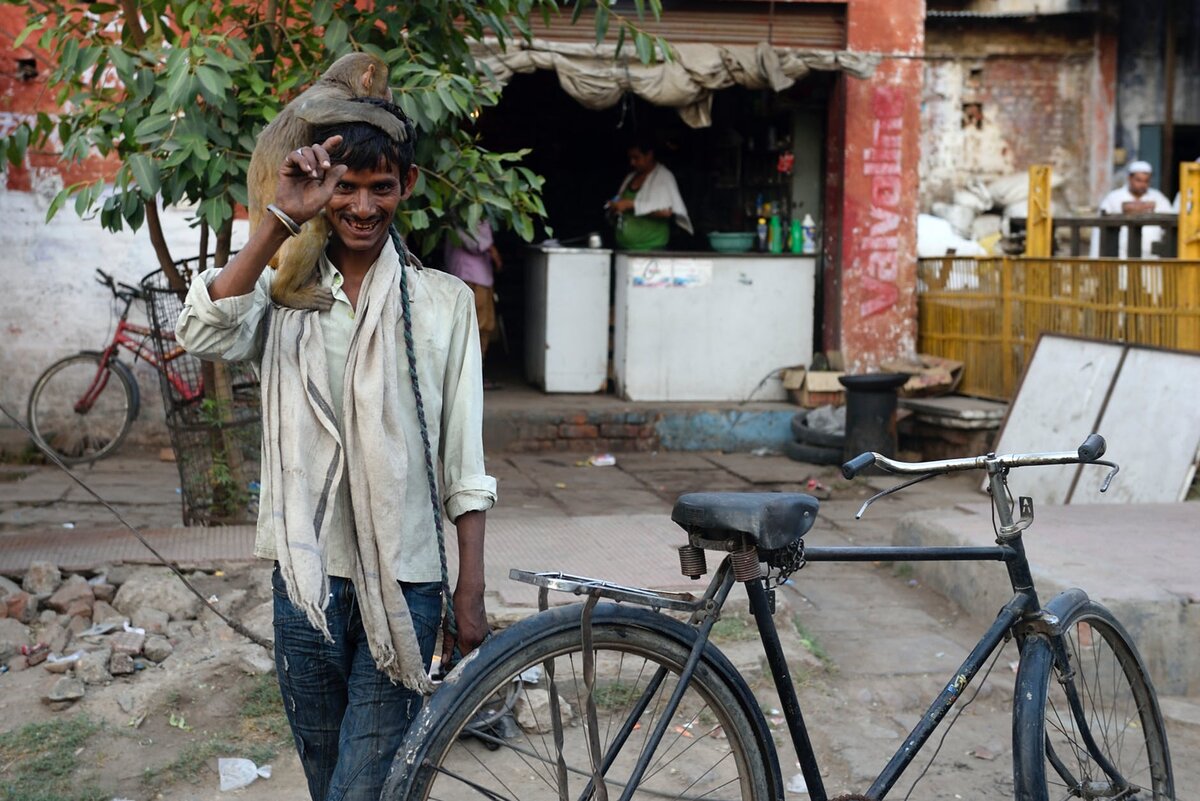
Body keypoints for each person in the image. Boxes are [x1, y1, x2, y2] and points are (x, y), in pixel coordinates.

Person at [175, 98, 496, 801]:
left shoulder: (441, 304)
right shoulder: (284, 295)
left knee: (363, 791)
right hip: (307, 587)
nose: (361, 206)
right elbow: (200, 331)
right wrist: (280, 215)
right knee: (335, 788)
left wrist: (468, 590)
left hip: (406, 585)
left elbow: (463, 464)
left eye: (380, 188)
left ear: (406, 186)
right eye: (344, 186)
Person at [606, 136, 692, 251]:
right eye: (630, 158)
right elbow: (620, 200)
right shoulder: (630, 177)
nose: (632, 162)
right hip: (624, 248)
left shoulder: (663, 177)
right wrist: (615, 206)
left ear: (649, 155)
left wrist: (630, 205)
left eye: (636, 158)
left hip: (651, 249)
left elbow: (665, 212)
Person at [443, 219, 502, 385]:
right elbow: (471, 241)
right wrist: (491, 249)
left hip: (479, 276)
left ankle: (475, 374)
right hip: (470, 276)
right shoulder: (465, 207)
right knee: (473, 327)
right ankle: (468, 378)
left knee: (485, 326)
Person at [1090, 160, 1172, 257]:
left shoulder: (1159, 198)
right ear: (1129, 178)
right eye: (1139, 180)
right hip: (1121, 255)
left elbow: (1168, 226)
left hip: (1150, 257)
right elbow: (1099, 231)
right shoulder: (1113, 198)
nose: (1142, 185)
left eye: (1146, 181)